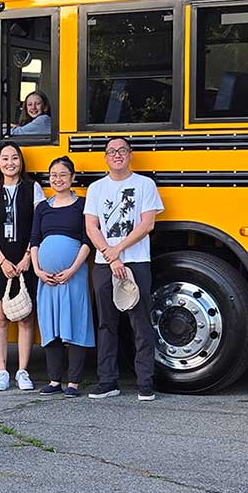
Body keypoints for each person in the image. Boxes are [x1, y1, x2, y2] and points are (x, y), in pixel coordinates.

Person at [84, 137, 164, 401]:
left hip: (137, 261)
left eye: (121, 151)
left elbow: (147, 224)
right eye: (111, 152)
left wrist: (118, 251)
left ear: (130, 155)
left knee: (140, 322)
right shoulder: (96, 188)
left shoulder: (145, 185)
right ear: (105, 158)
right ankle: (107, 381)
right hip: (104, 264)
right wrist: (111, 256)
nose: (116, 155)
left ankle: (145, 383)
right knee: (106, 322)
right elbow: (91, 226)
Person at [0, 141, 46, 391]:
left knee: (26, 317)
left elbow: (38, 226)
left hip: (25, 259)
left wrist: (28, 256)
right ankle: (2, 371)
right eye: (5, 158)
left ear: (21, 161)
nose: (10, 163)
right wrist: (2, 261)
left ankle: (23, 371)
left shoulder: (33, 189)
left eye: (14, 158)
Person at [30, 156, 95, 398]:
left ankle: (74, 383)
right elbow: (34, 240)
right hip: (46, 279)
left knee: (75, 325)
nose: (57, 179)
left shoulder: (82, 206)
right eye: (53, 175)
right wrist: (37, 270)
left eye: (63, 175)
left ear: (73, 178)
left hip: (73, 276)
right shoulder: (43, 207)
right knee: (51, 327)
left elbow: (88, 240)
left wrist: (73, 269)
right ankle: (55, 380)